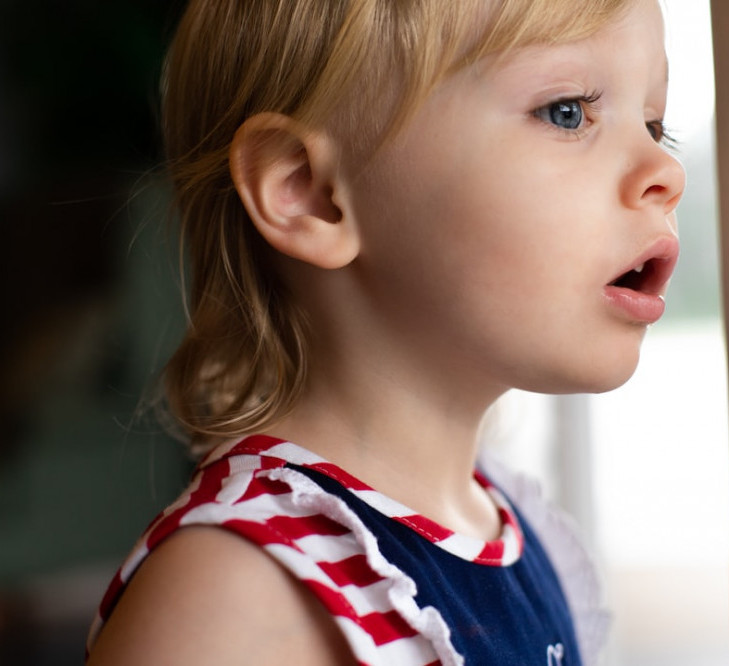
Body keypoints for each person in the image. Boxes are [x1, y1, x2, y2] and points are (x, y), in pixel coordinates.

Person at [85, 0, 684, 663]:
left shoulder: (518, 530)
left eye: (656, 126)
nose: (666, 173)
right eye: (566, 111)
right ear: (312, 191)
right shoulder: (239, 597)